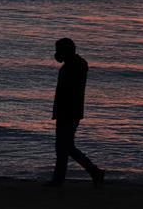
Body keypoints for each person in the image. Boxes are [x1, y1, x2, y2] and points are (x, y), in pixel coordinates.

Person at [46, 37, 105, 188]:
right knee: (66, 147)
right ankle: (93, 172)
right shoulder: (76, 64)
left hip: (68, 112)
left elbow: (69, 92)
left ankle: (63, 179)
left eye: (59, 50)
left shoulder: (74, 66)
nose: (56, 54)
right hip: (69, 111)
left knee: (63, 147)